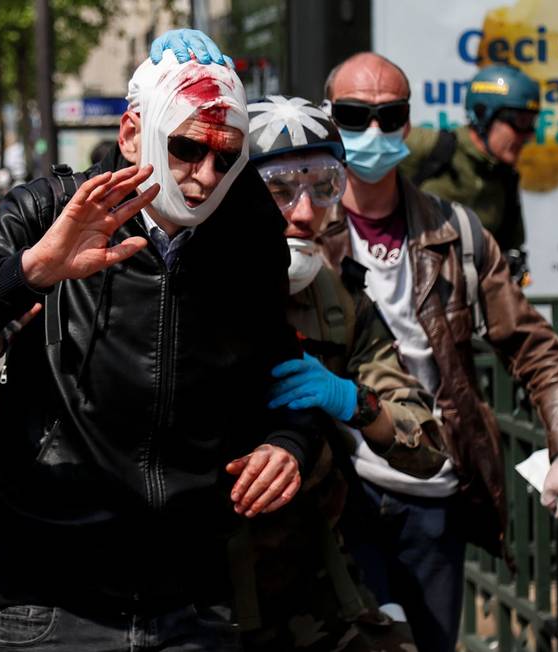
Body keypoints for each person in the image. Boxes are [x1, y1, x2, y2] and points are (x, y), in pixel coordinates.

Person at [0, 47, 329, 650]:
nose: (207, 175)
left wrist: (289, 441)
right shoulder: (46, 211)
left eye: (227, 155)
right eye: (187, 148)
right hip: (54, 600)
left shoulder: (249, 240)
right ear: (134, 134)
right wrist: (29, 270)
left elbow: (285, 376)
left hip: (196, 603)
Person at [317, 51, 558, 652]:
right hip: (337, 493)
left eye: (389, 116)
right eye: (352, 115)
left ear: (407, 121)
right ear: (327, 117)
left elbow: (534, 346)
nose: (373, 132)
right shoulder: (301, 232)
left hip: (433, 494)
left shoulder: (459, 232)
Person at [233, 94, 443, 651]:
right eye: (278, 190)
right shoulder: (169, 290)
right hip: (194, 594)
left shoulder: (340, 302)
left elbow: (426, 446)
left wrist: (352, 400)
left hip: (307, 585)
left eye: (323, 186)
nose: (304, 212)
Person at [399, 65, 540, 283]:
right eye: (520, 122)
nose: (527, 135)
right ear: (483, 114)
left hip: (469, 305)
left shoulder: (505, 178)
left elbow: (512, 250)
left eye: (531, 123)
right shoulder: (434, 149)